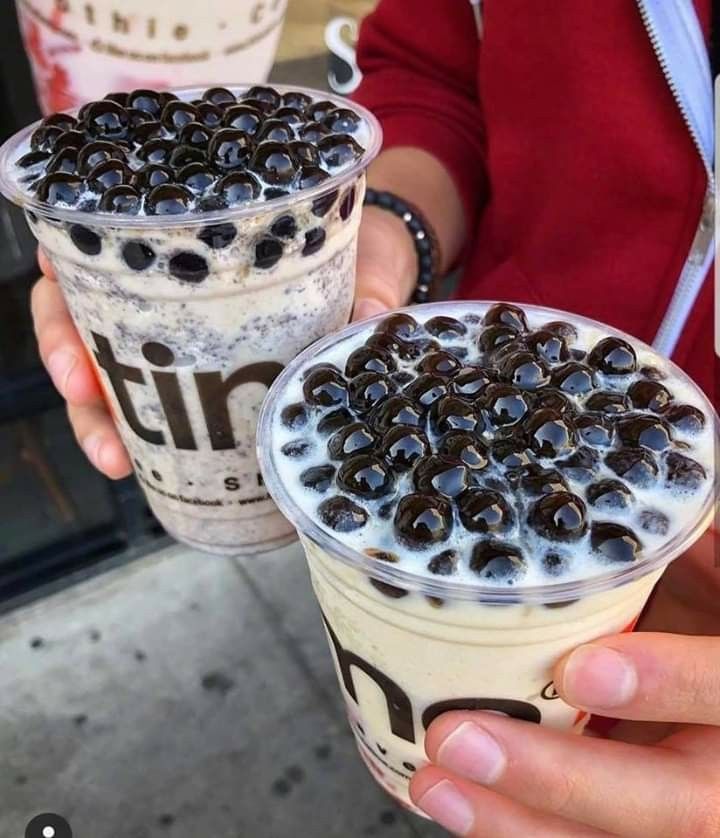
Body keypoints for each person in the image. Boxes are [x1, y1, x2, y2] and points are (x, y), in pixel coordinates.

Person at [30, 1, 718, 835]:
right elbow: (434, 73)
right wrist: (382, 244)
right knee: (448, 768)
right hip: (462, 371)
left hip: (656, 573)